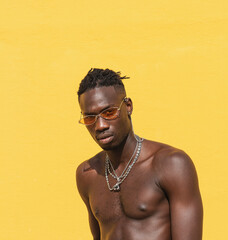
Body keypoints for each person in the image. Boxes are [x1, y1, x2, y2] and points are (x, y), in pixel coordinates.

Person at [76, 68, 203, 240]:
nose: (100, 126)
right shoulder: (87, 175)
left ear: (128, 106)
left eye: (109, 112)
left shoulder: (171, 164)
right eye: (90, 117)